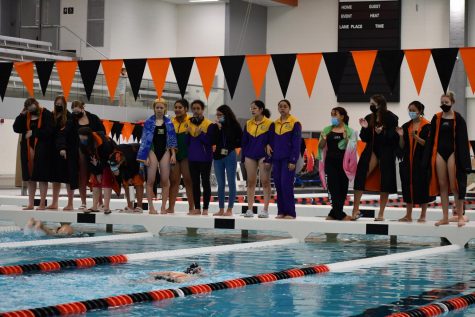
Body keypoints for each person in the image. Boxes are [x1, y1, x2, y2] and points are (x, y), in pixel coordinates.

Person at [425, 92, 471, 227]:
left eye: (446, 102)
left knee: (454, 185)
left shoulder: (458, 118)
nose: (443, 105)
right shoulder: (437, 118)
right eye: (442, 102)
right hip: (439, 152)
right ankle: (445, 217)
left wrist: (465, 162)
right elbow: (431, 138)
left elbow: (463, 141)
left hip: (453, 153)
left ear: (452, 102)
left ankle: (460, 216)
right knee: (442, 185)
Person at [352, 95, 399, 221]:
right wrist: (366, 128)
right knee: (361, 176)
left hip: (386, 151)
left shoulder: (391, 117)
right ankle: (355, 209)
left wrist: (381, 133)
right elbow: (364, 138)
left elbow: (393, 137)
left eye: (373, 103)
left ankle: (381, 213)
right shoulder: (369, 117)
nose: (371, 106)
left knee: (385, 181)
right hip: (372, 150)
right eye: (370, 103)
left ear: (380, 104)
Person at [57, 101, 106, 211]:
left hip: (93, 150)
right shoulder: (72, 121)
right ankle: (83, 202)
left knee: (96, 175)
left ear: (82, 108)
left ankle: (100, 202)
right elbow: (63, 134)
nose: (76, 114)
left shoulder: (93, 118)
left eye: (77, 111)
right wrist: (62, 147)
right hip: (80, 150)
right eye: (73, 112)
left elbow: (102, 132)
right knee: (82, 177)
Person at [137, 98, 177, 215]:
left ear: (165, 109)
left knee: (165, 180)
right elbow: (144, 140)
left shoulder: (169, 123)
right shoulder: (149, 122)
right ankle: (151, 208)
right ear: (154, 109)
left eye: (161, 107)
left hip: (165, 151)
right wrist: (145, 156)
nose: (159, 109)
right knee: (150, 180)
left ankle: (163, 207)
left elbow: (172, 140)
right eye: (157, 107)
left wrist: (173, 154)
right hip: (152, 151)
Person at [13, 98, 54, 210]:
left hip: (42, 150)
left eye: (32, 106)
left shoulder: (46, 113)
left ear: (36, 104)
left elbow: (50, 131)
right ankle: (30, 203)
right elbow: (16, 128)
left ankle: (42, 204)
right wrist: (21, 114)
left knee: (42, 177)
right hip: (27, 149)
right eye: (28, 107)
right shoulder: (26, 116)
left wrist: (33, 132)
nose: (31, 109)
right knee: (30, 177)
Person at [317, 107, 357, 221]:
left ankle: (333, 213)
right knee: (334, 188)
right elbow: (320, 147)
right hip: (330, 163)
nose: (333, 117)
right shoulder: (326, 130)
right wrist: (324, 139)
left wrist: (348, 139)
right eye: (332, 115)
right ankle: (341, 215)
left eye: (335, 114)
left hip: (344, 164)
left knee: (343, 189)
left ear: (342, 117)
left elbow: (353, 149)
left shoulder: (350, 131)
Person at [396, 101, 433, 223]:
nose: (411, 112)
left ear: (420, 111)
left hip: (422, 161)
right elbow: (401, 146)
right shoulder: (406, 126)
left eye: (413, 110)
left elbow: (430, 145)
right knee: (407, 186)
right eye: (409, 110)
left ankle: (423, 215)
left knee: (423, 187)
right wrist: (401, 136)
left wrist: (417, 138)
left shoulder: (428, 126)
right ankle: (408, 215)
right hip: (408, 161)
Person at [268, 99, 302, 219]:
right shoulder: (274, 124)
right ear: (278, 108)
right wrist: (269, 159)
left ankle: (290, 213)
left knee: (286, 184)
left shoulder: (295, 123)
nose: (282, 108)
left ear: (289, 108)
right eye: (280, 106)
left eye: (285, 106)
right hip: (277, 159)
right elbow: (270, 142)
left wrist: (293, 160)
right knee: (278, 185)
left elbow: (296, 143)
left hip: (288, 159)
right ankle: (281, 211)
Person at [241, 100, 273, 218]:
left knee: (265, 181)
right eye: (251, 108)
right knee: (250, 182)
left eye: (254, 108)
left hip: (263, 155)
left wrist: (269, 158)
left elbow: (272, 141)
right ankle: (250, 209)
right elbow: (244, 142)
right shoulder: (248, 123)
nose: (252, 110)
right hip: (250, 155)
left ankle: (265, 209)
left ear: (261, 109)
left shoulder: (270, 123)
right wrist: (243, 157)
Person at [186, 100, 217, 216]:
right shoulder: (189, 123)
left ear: (202, 110)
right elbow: (186, 143)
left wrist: (201, 134)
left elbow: (210, 141)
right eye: (193, 108)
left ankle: (205, 208)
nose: (196, 111)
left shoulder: (209, 124)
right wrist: (188, 134)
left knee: (205, 183)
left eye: (198, 108)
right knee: (195, 183)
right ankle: (197, 208)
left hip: (205, 158)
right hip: (192, 158)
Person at [212, 105, 243, 217]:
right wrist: (218, 129)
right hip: (217, 156)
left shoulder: (234, 125)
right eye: (218, 115)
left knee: (231, 182)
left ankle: (229, 209)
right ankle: (221, 209)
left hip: (230, 154)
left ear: (226, 114)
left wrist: (232, 145)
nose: (219, 117)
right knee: (220, 184)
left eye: (221, 115)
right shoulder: (215, 126)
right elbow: (212, 140)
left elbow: (241, 139)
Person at [78, 127, 117, 214]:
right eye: (81, 138)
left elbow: (106, 159)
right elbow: (89, 161)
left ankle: (106, 206)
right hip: (98, 160)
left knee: (106, 179)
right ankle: (95, 206)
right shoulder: (83, 144)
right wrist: (96, 172)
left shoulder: (103, 142)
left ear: (89, 137)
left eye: (84, 138)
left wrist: (100, 172)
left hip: (110, 159)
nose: (82, 140)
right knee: (95, 181)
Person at [47, 96, 74, 211]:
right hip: (53, 150)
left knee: (68, 177)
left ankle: (70, 203)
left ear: (64, 104)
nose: (58, 105)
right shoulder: (51, 115)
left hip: (65, 150)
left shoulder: (68, 116)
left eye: (60, 103)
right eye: (57, 103)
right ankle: (54, 202)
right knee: (55, 178)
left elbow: (66, 133)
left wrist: (63, 147)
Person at [168, 99, 194, 214]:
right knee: (174, 181)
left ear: (186, 109)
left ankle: (191, 208)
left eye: (180, 107)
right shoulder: (170, 122)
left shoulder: (191, 121)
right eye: (176, 107)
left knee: (188, 181)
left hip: (187, 155)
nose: (177, 109)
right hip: (174, 155)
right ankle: (171, 207)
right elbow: (169, 140)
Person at [108, 143, 144, 213]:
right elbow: (121, 170)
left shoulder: (130, 155)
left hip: (137, 159)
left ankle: (139, 206)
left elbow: (135, 168)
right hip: (126, 163)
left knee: (137, 181)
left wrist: (130, 177)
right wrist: (127, 177)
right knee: (125, 183)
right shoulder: (114, 155)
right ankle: (130, 206)